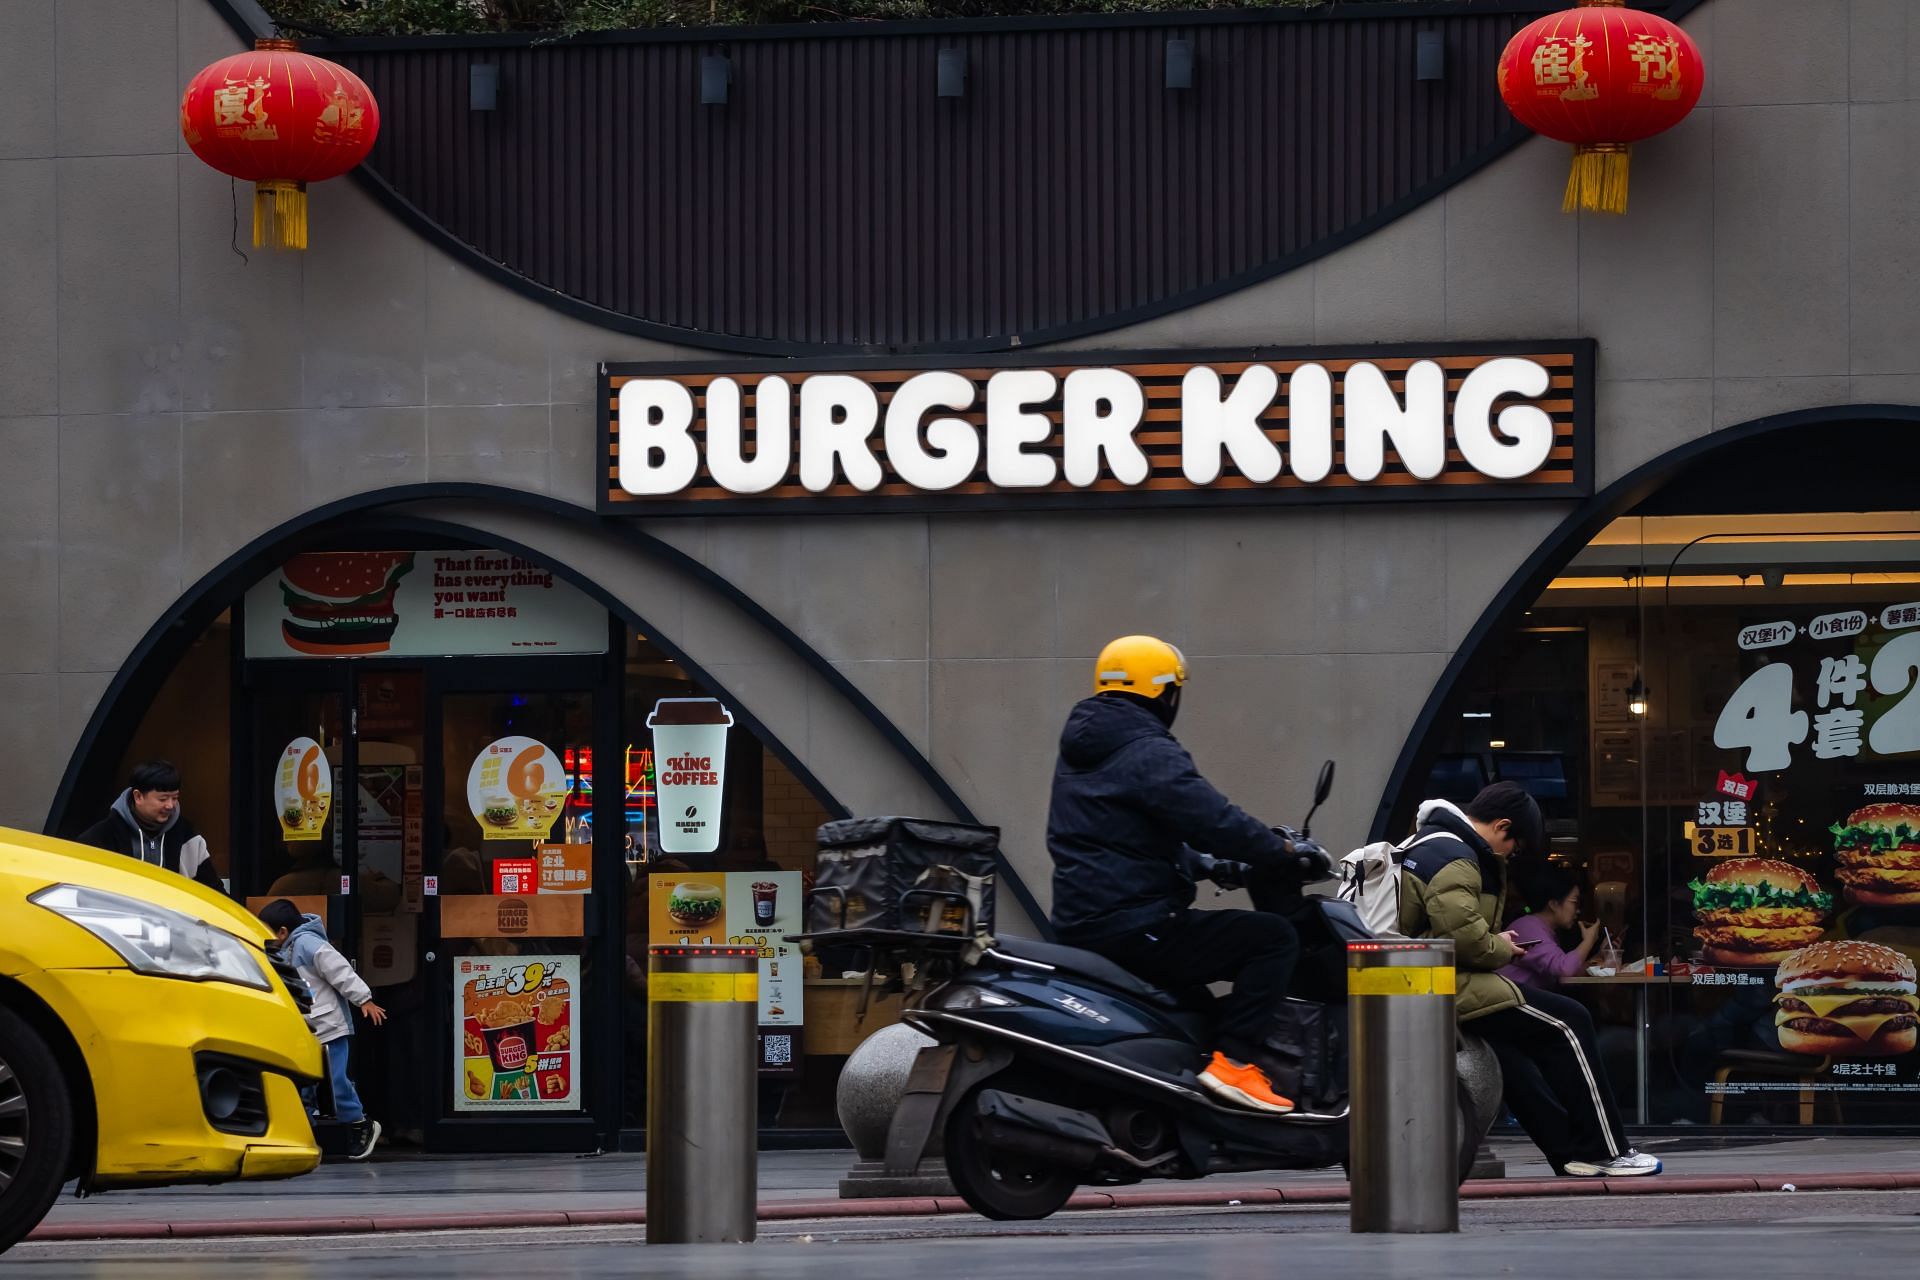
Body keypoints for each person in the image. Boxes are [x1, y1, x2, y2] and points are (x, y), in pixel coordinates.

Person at [1047, 634, 1325, 1115]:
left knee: (1200, 1010)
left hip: (1090, 918)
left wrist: (1221, 867)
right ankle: (1234, 1065)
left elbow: (1134, 836)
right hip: (1137, 923)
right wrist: (1279, 850)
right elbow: (1211, 818)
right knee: (1273, 938)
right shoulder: (1147, 749)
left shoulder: (1086, 747)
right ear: (1164, 692)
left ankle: (1188, 1104)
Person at [1397, 783, 1660, 1177]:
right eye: (1515, 847)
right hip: (1433, 981)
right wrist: (1501, 946)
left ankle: (1566, 1152)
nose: (1511, 856)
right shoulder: (1455, 857)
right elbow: (1465, 940)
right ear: (1503, 827)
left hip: (1411, 979)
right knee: (1570, 1021)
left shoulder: (1431, 843)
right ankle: (1605, 1149)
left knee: (1510, 1056)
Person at [259, 899, 386, 1161]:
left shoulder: (307, 944)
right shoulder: (279, 952)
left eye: (267, 931)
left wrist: (364, 999)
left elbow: (340, 970)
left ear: (282, 932)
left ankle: (360, 1123)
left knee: (335, 1082)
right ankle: (301, 1138)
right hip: (301, 1032)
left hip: (328, 1028)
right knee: (303, 1086)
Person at [75, 760, 223, 893]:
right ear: (138, 796)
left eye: (175, 798)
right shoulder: (100, 838)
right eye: (163, 799)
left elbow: (214, 891)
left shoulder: (188, 836)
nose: (170, 805)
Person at [1497, 863, 1601, 992]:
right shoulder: (1528, 928)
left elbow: (1563, 975)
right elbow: (1564, 970)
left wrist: (1602, 956)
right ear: (1554, 904)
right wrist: (1588, 941)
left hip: (1526, 997)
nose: (1578, 910)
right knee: (1578, 1011)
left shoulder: (1543, 929)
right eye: (1575, 902)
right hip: (1513, 1001)